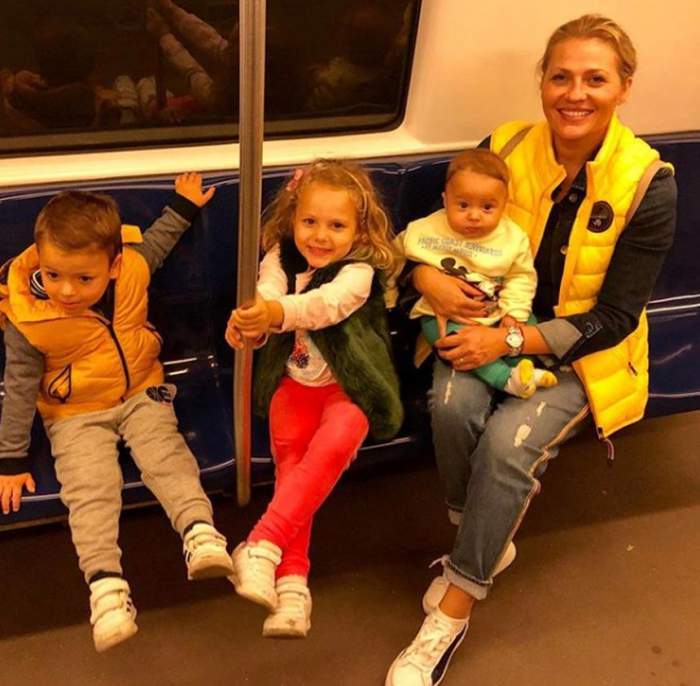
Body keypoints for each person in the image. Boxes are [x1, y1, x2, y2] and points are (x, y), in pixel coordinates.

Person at [385, 14, 677, 685]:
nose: (575, 94)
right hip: (488, 316)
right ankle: (483, 532)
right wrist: (425, 276)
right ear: (542, 82)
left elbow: (614, 317)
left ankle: (455, 606)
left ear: (624, 87)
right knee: (452, 405)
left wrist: (510, 338)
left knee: (507, 445)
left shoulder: (647, 182)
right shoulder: (506, 145)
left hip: (583, 349)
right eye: (560, 76)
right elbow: (437, 234)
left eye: (595, 79)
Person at [0, 173, 233, 652]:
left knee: (166, 455)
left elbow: (157, 243)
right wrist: (11, 458)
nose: (66, 291)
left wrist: (183, 206)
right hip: (74, 411)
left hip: (141, 388)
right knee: (90, 488)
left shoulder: (133, 269)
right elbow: (19, 386)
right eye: (53, 275)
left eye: (83, 279)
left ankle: (199, 531)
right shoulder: (29, 318)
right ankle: (105, 586)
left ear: (113, 267)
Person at [225, 159, 403, 638]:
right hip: (293, 383)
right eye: (309, 221)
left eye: (336, 226)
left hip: (349, 386)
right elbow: (266, 294)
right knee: (294, 470)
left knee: (334, 444)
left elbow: (324, 306)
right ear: (292, 219)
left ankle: (261, 542)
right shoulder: (279, 258)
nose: (320, 236)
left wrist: (272, 312)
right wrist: (250, 324)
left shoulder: (359, 271)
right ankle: (292, 586)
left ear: (359, 229)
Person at [387, 147, 557, 398]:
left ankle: (523, 368)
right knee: (451, 343)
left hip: (497, 306)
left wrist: (514, 313)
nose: (474, 216)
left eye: (487, 207)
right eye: (463, 205)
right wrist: (390, 297)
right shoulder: (424, 231)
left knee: (527, 326)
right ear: (445, 200)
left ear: (504, 205)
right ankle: (505, 379)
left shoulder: (512, 237)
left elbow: (521, 277)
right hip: (443, 314)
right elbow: (391, 260)